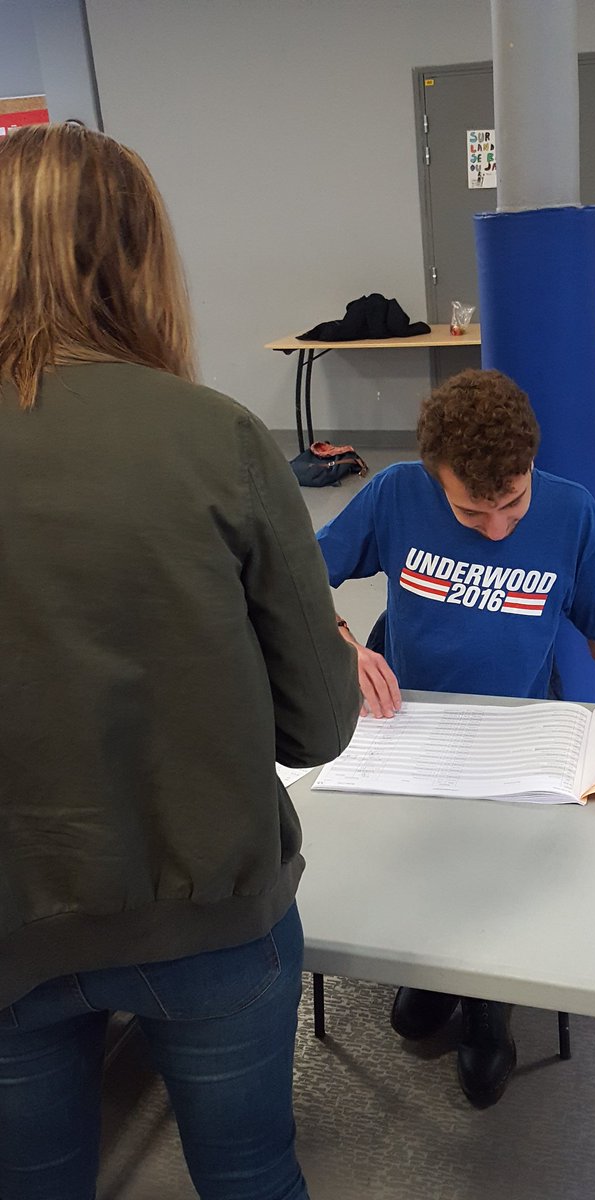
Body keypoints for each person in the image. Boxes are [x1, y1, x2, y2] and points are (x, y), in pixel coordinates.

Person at [0, 124, 360, 1200]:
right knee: (251, 1173)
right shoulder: (217, 438)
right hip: (209, 917)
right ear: (140, 257)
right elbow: (316, 726)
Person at [316, 368, 595, 1109]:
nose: (497, 527)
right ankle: (432, 969)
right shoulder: (394, 494)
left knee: (498, 871)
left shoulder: (570, 512)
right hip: (416, 723)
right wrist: (342, 645)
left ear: (530, 469)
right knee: (422, 854)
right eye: (470, 511)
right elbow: (296, 573)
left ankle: (488, 1003)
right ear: (435, 476)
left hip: (518, 724)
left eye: (513, 503)